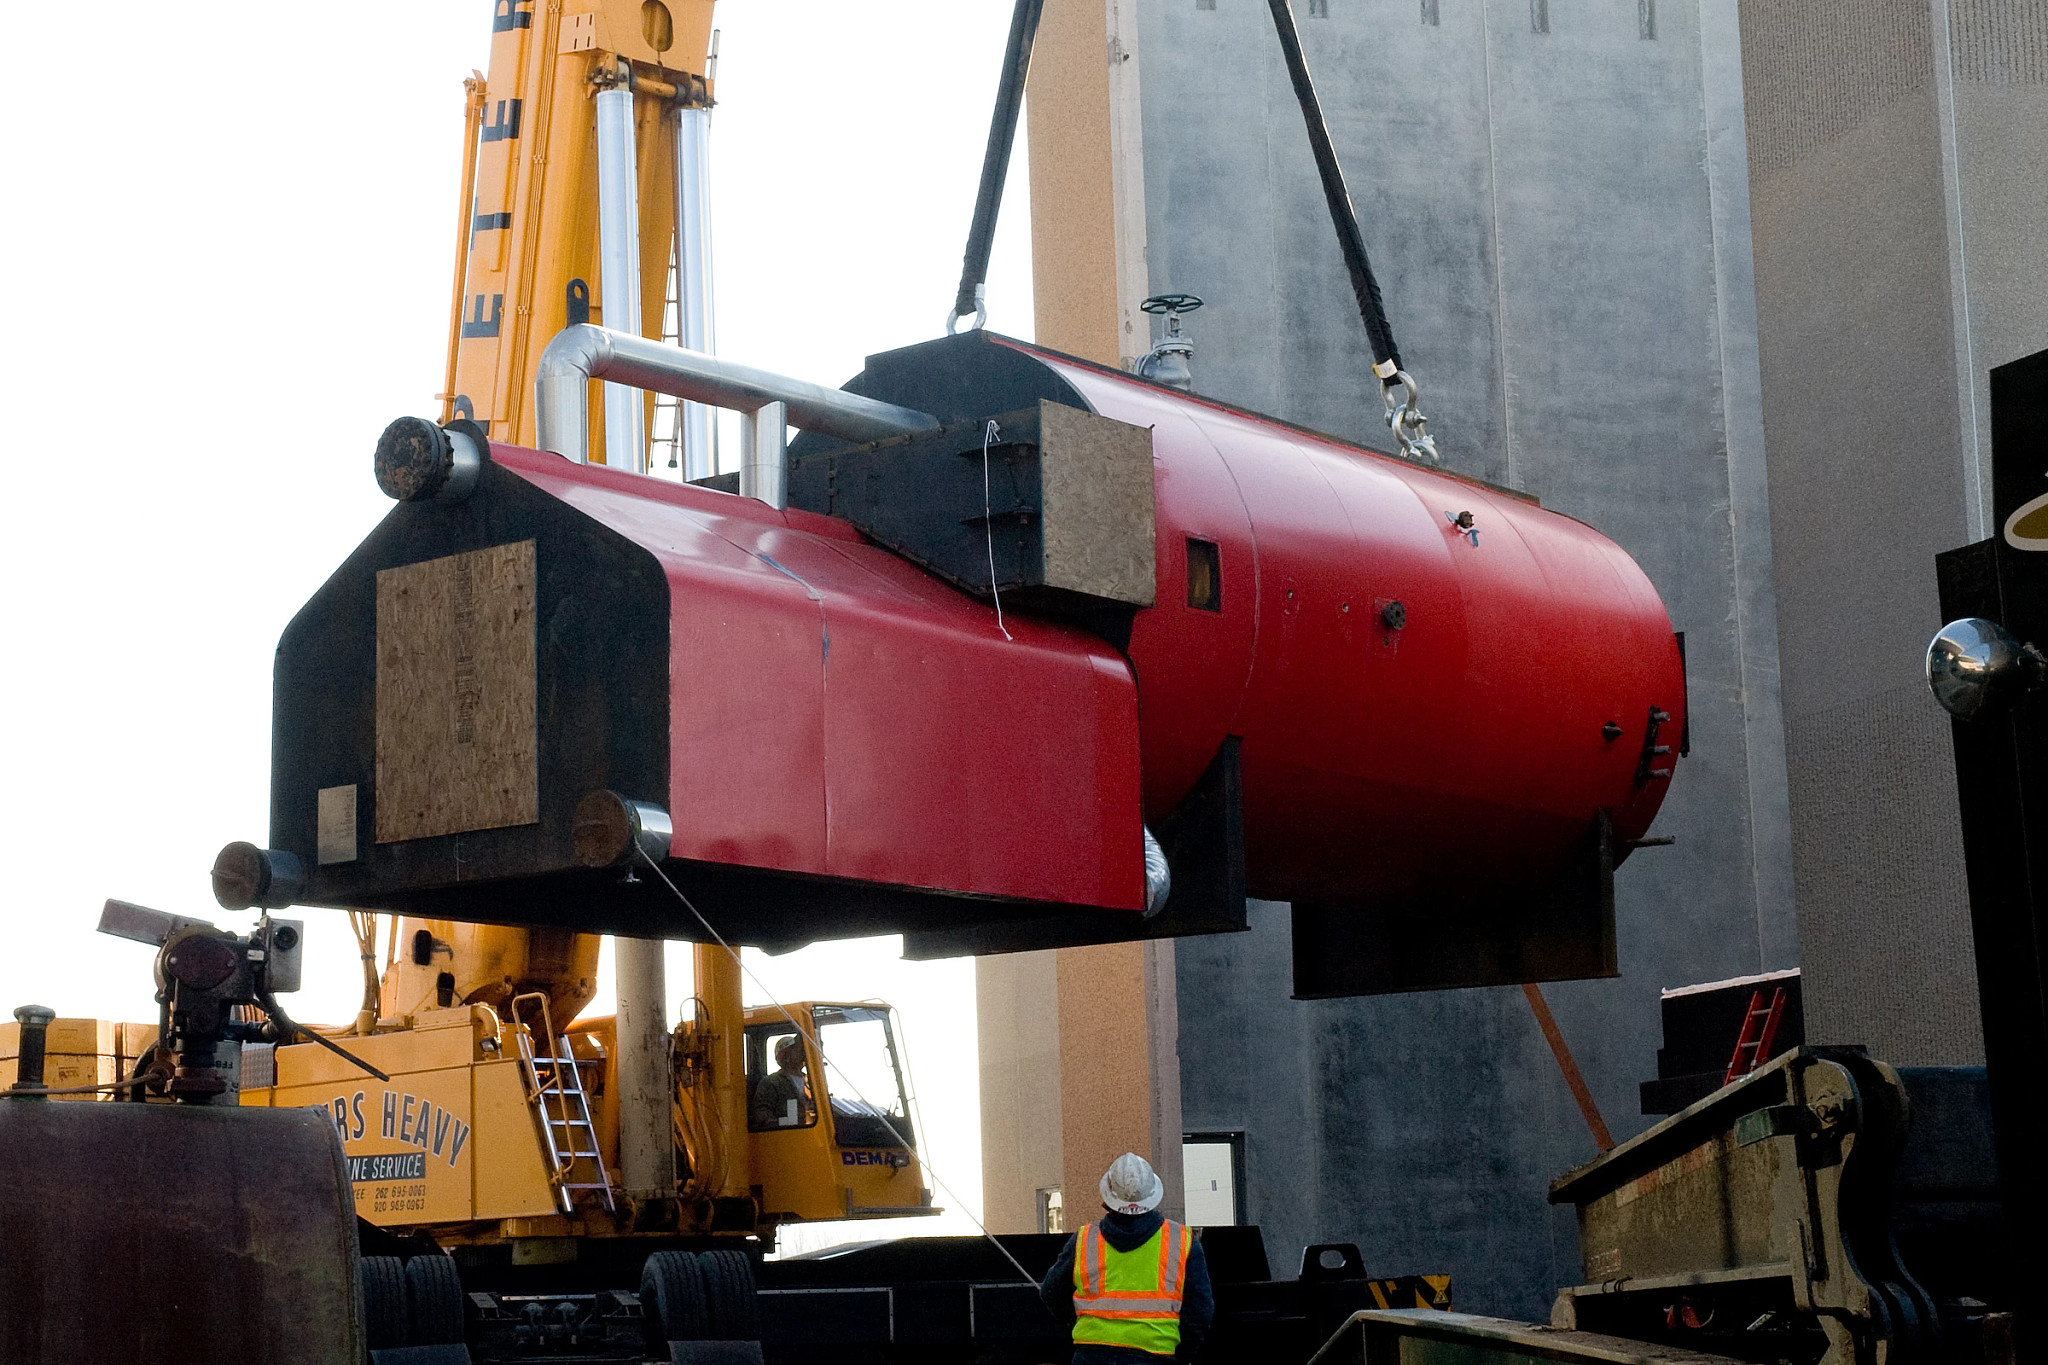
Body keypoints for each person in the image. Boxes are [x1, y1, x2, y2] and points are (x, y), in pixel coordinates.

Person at [1039, 1153, 1213, 1363]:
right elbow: (1200, 1311)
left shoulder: (1085, 1240)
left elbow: (1051, 1292)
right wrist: (1184, 1353)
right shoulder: (1182, 1241)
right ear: (1152, 1195)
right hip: (1155, 1357)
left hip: (1092, 1357)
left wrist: (1078, 1323)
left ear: (1108, 1197)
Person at [749, 1035, 812, 1129]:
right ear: (785, 1056)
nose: (803, 1053)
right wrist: (790, 1122)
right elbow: (762, 1118)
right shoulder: (771, 1083)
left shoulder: (811, 1082)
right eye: (796, 1050)